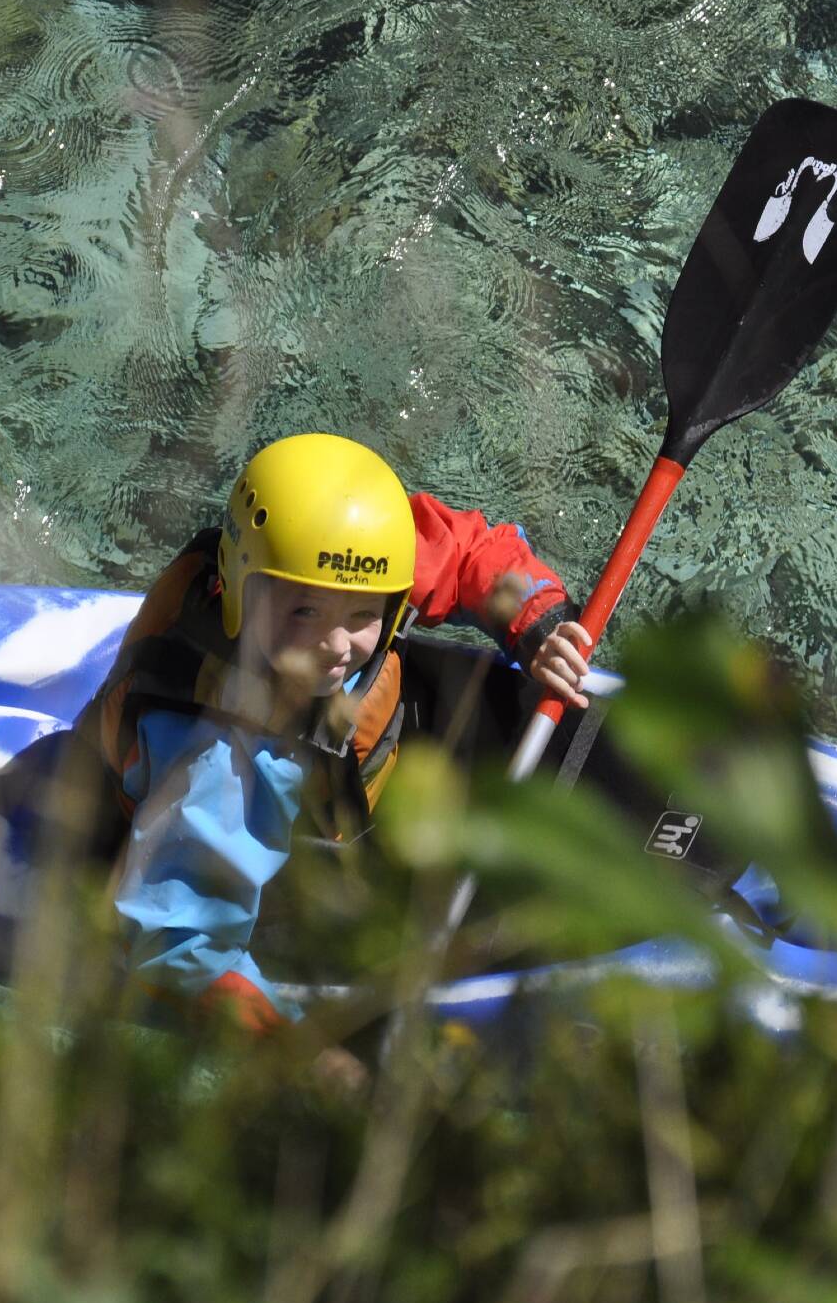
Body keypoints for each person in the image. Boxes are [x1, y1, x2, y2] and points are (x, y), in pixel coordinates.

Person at [73, 432, 597, 1035]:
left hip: (359, 763)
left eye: (362, 616)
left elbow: (464, 549)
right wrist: (306, 1053)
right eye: (304, 613)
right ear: (239, 586)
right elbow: (175, 948)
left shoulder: (351, 565)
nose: (335, 646)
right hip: (257, 843)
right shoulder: (224, 764)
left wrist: (540, 624)